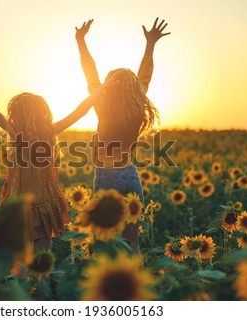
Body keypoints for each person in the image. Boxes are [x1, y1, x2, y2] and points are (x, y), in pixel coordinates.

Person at [0, 69, 116, 253]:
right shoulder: (49, 132)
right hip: (44, 199)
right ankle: (41, 280)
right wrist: (102, 88)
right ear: (43, 113)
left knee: (19, 255)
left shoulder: (15, 132)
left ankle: (20, 281)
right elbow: (80, 111)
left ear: (16, 113)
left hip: (18, 201)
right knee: (42, 252)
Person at [75, 18, 170, 253]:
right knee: (132, 242)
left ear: (109, 87)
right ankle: (136, 285)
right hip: (131, 177)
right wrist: (150, 45)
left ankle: (103, 287)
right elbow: (145, 75)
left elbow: (90, 73)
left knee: (102, 242)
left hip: (108, 178)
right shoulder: (137, 107)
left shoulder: (103, 107)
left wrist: (80, 41)